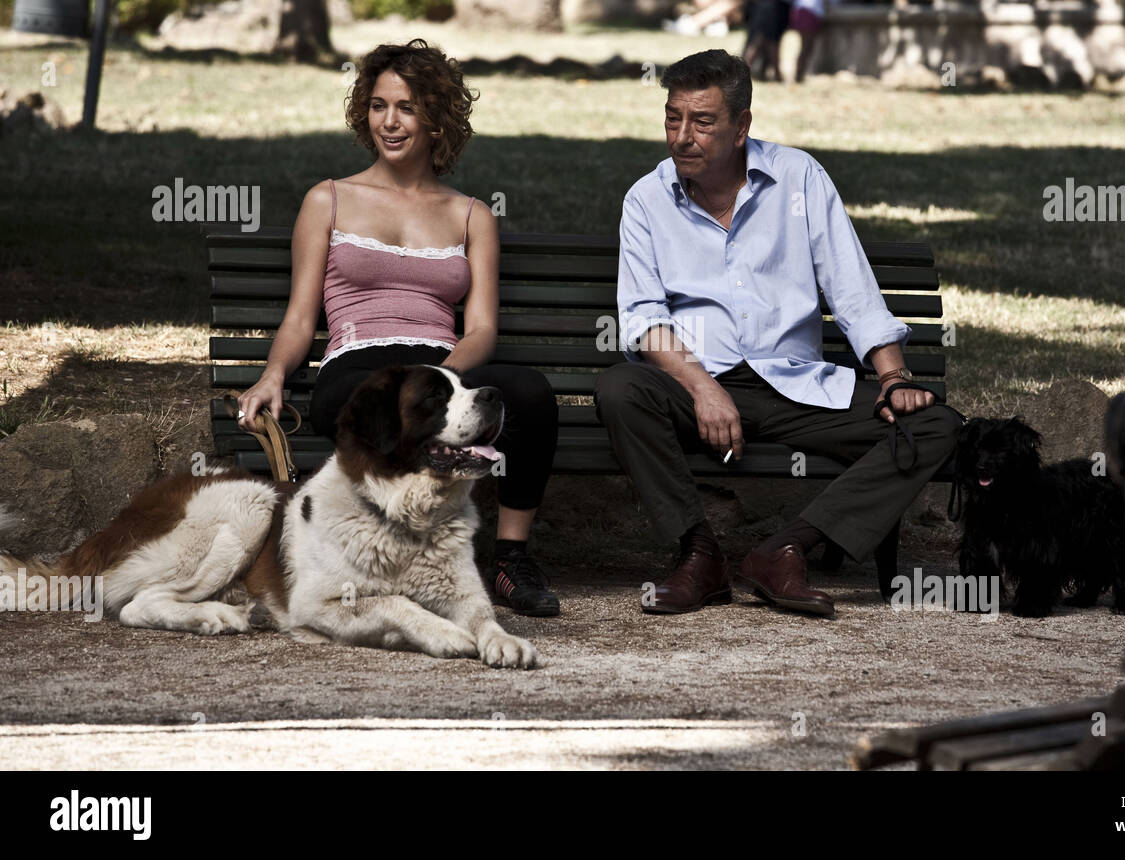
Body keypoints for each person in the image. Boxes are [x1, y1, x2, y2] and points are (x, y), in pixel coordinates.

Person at [594, 50, 961, 617]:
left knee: (936, 424)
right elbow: (643, 318)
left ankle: (786, 548)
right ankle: (700, 556)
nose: (682, 137)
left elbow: (852, 289)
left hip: (793, 388)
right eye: (673, 118)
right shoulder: (646, 200)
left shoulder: (800, 177)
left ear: (742, 127)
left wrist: (892, 378)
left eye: (703, 121)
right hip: (696, 387)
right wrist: (703, 389)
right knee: (621, 390)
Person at [236, 39, 561, 618]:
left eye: (407, 107)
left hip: (440, 371)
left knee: (532, 394)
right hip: (360, 366)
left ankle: (511, 559)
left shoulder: (470, 214)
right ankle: (374, 557)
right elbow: (300, 317)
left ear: (437, 118)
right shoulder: (328, 200)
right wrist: (272, 374)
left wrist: (445, 375)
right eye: (379, 105)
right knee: (357, 400)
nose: (390, 121)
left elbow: (482, 326)